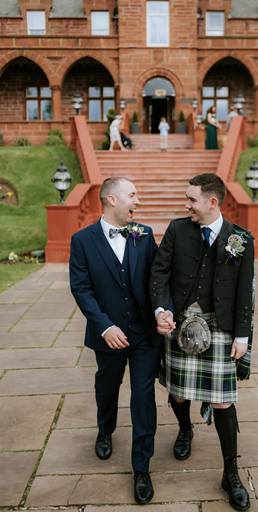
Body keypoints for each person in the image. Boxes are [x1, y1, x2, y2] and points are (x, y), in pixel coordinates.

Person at [150, 173, 254, 511]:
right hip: (181, 324)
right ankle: (185, 430)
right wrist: (162, 309)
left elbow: (245, 291)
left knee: (223, 401)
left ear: (212, 202)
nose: (186, 205)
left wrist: (242, 336)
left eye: (192, 199)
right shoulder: (178, 229)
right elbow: (159, 273)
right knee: (178, 392)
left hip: (220, 328)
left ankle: (231, 473)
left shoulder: (240, 238)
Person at [69, 177, 160, 505]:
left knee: (143, 396)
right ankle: (105, 429)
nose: (139, 200)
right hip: (107, 334)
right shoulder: (81, 240)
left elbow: (157, 277)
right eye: (133, 195)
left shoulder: (145, 234)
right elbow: (81, 288)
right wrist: (105, 327)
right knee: (106, 387)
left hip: (144, 334)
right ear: (111, 200)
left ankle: (141, 467)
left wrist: (162, 309)